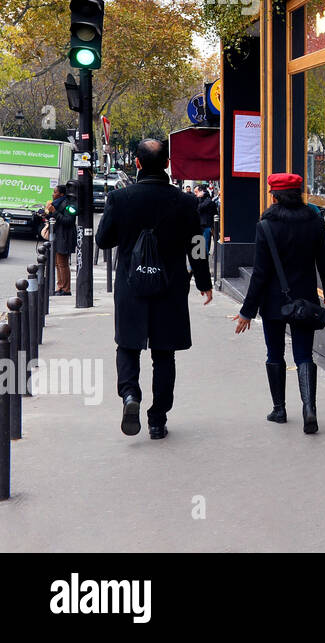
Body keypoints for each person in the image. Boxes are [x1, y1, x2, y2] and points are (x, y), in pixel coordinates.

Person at [94, 139, 213, 439]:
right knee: (164, 354)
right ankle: (158, 419)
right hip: (169, 288)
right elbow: (197, 246)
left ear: (137, 163)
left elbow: (103, 240)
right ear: (166, 164)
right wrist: (204, 283)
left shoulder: (120, 199)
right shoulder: (186, 202)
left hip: (131, 286)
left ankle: (130, 395)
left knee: (128, 346)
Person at [231, 173, 325, 434]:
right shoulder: (314, 221)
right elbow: (324, 261)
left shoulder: (266, 225)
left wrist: (247, 311)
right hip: (305, 300)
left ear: (274, 195)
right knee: (303, 354)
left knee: (274, 353)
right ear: (299, 193)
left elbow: (260, 273)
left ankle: (279, 410)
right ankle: (309, 408)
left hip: (273, 302)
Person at [46, 184, 77, 296]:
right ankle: (60, 286)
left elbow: (69, 220)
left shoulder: (69, 204)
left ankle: (66, 288)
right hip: (58, 235)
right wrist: (47, 214)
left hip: (65, 237)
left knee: (62, 263)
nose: (53, 194)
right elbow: (54, 218)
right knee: (58, 263)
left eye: (55, 192)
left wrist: (54, 211)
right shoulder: (57, 203)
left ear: (62, 194)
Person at [195, 183, 218, 260]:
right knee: (199, 247)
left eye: (197, 192)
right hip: (201, 225)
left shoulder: (208, 201)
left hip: (206, 225)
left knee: (204, 248)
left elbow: (199, 208)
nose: (196, 194)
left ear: (202, 191)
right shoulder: (200, 200)